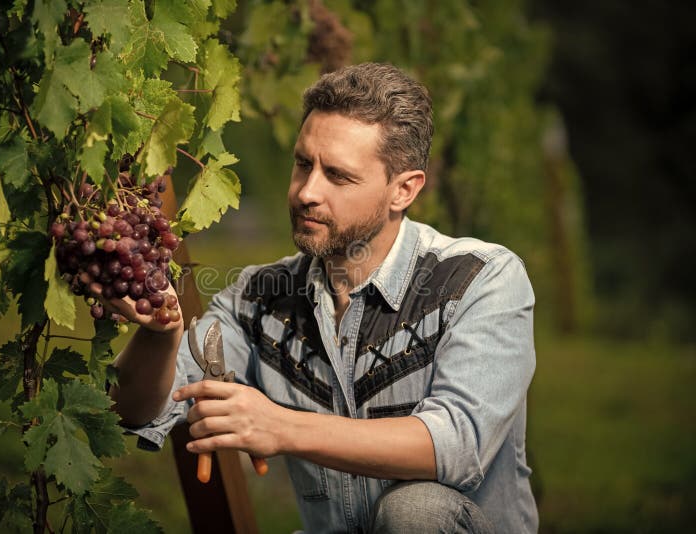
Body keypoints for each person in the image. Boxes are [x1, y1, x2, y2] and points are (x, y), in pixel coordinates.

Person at [104, 63, 538, 533]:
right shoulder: (257, 299)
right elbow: (137, 409)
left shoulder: (480, 279)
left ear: (404, 190)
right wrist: (161, 335)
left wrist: (282, 427)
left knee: (416, 511)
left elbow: (457, 446)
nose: (307, 191)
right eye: (303, 164)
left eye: (338, 175)